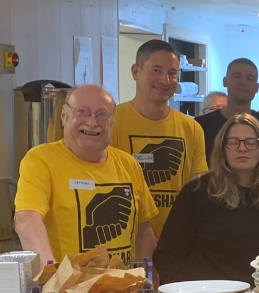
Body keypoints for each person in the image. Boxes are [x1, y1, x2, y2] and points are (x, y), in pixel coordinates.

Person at [14, 84, 157, 266]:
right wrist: (53, 279)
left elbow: (144, 232)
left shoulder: (128, 164)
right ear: (64, 116)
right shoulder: (40, 160)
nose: (92, 122)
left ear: (112, 122)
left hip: (122, 291)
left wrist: (145, 282)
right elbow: (27, 220)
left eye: (102, 114)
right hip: (68, 290)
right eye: (82, 112)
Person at [154, 114, 259, 284]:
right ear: (222, 148)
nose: (242, 148)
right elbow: (168, 256)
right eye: (233, 142)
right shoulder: (197, 191)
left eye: (251, 142)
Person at [110, 39, 208, 238]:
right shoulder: (111, 121)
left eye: (172, 73)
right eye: (156, 70)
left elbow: (196, 188)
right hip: (125, 241)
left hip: (176, 242)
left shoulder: (191, 128)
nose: (165, 80)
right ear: (136, 72)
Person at [195, 58, 259, 166]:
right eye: (237, 76)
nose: (243, 82)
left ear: (257, 87)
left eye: (249, 78)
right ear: (225, 81)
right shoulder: (200, 127)